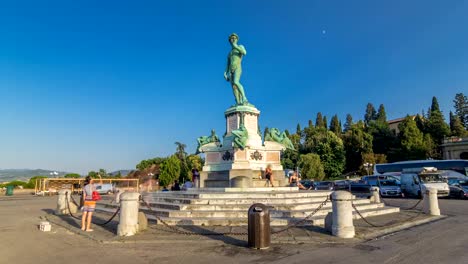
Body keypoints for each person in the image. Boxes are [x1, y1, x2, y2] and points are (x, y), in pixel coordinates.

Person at [224, 33, 248, 105]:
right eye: (232, 38)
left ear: (237, 39)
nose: (233, 39)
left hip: (237, 67)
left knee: (236, 82)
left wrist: (235, 46)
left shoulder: (240, 46)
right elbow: (227, 64)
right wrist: (225, 72)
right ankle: (238, 102)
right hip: (230, 71)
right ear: (230, 41)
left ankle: (244, 98)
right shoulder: (230, 53)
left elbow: (244, 52)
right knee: (234, 87)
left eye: (234, 38)